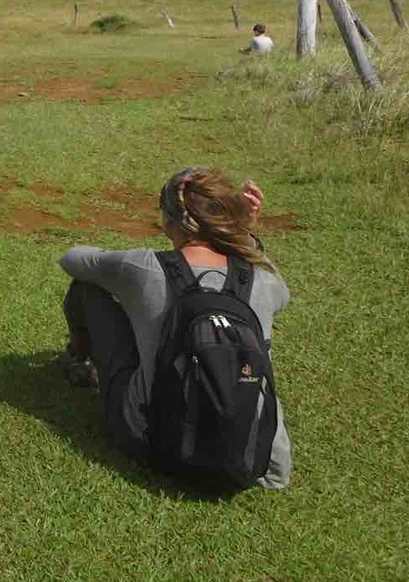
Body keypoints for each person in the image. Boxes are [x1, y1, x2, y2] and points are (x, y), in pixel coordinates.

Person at [57, 168, 291, 488]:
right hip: (256, 461)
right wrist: (243, 236)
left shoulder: (143, 267)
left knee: (89, 290)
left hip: (154, 444)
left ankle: (82, 365)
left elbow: (71, 259)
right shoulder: (260, 279)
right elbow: (282, 293)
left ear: (169, 219)